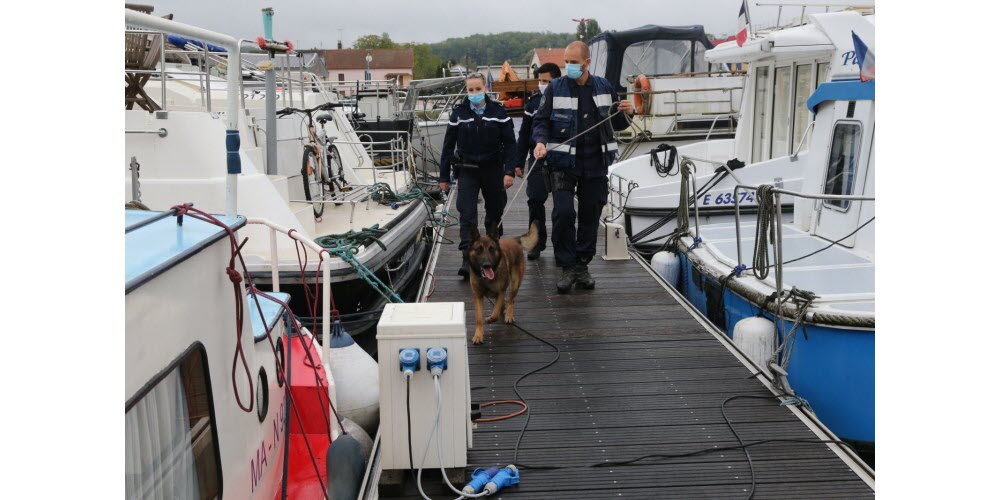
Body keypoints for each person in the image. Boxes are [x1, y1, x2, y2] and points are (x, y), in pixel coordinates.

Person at [532, 41, 635, 293]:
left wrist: (629, 112)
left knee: (591, 215)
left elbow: (617, 123)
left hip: (595, 162)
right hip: (563, 163)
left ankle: (581, 265)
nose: (569, 67)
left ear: (587, 63)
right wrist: (540, 141)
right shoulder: (555, 88)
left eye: (574, 62)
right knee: (564, 213)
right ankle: (566, 266)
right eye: (566, 62)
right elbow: (541, 120)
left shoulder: (604, 86)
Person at [439, 72, 518, 279]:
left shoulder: (498, 112)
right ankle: (467, 257)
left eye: (477, 89)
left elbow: (510, 144)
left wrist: (509, 171)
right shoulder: (459, 114)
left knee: (495, 212)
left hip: (493, 169)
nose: (474, 93)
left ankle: (494, 253)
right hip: (467, 170)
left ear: (485, 89)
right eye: (470, 90)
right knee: (467, 214)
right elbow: (447, 147)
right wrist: (443, 177)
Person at [514, 62, 561, 260]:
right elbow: (524, 134)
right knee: (535, 201)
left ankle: (561, 247)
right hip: (536, 157)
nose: (543, 84)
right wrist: (517, 162)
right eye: (540, 81)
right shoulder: (533, 103)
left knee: (561, 206)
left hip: (559, 157)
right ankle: (536, 243)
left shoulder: (565, 100)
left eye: (547, 81)